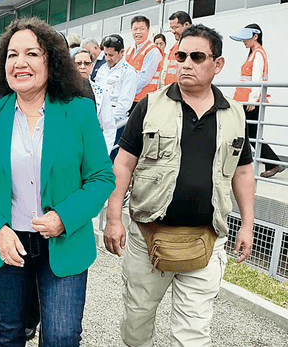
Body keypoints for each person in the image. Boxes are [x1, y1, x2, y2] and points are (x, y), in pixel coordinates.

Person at [0, 17, 115, 347]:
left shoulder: (80, 112)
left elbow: (102, 177)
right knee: (7, 333)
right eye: (12, 55)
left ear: (52, 61)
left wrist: (63, 217)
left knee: (61, 336)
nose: (20, 63)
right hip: (8, 245)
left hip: (64, 241)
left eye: (31, 53)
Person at [104, 24, 255, 347]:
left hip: (206, 241)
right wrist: (114, 218)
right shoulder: (149, 107)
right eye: (181, 55)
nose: (185, 63)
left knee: (194, 334)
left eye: (197, 56)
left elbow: (243, 172)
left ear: (217, 65)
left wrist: (248, 225)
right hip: (148, 238)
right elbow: (123, 165)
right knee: (136, 322)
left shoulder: (235, 115)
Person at [230, 23, 285, 178]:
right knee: (250, 135)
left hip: (250, 103)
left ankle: (269, 163)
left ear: (256, 36)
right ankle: (272, 163)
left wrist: (252, 100)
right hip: (247, 102)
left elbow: (257, 79)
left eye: (246, 38)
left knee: (247, 134)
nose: (243, 42)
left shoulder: (258, 54)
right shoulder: (254, 53)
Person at [94, 34, 138, 160]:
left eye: (111, 55)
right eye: (106, 55)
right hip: (98, 120)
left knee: (110, 159)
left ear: (121, 52)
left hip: (116, 124)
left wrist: (106, 123)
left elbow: (124, 104)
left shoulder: (129, 73)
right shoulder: (102, 69)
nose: (107, 58)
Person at [74, 49, 116, 154]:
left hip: (92, 148)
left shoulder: (100, 92)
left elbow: (109, 127)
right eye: (78, 63)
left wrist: (103, 153)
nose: (82, 67)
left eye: (87, 63)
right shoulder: (62, 92)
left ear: (92, 67)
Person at [125, 15, 163, 110]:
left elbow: (144, 78)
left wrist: (125, 90)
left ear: (148, 31)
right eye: (135, 29)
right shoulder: (129, 50)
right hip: (129, 99)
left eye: (142, 29)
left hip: (144, 101)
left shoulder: (152, 51)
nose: (138, 32)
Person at [163, 11, 192, 86]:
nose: (173, 31)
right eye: (171, 28)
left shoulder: (193, 46)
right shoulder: (176, 45)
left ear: (186, 25)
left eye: (175, 27)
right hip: (171, 90)